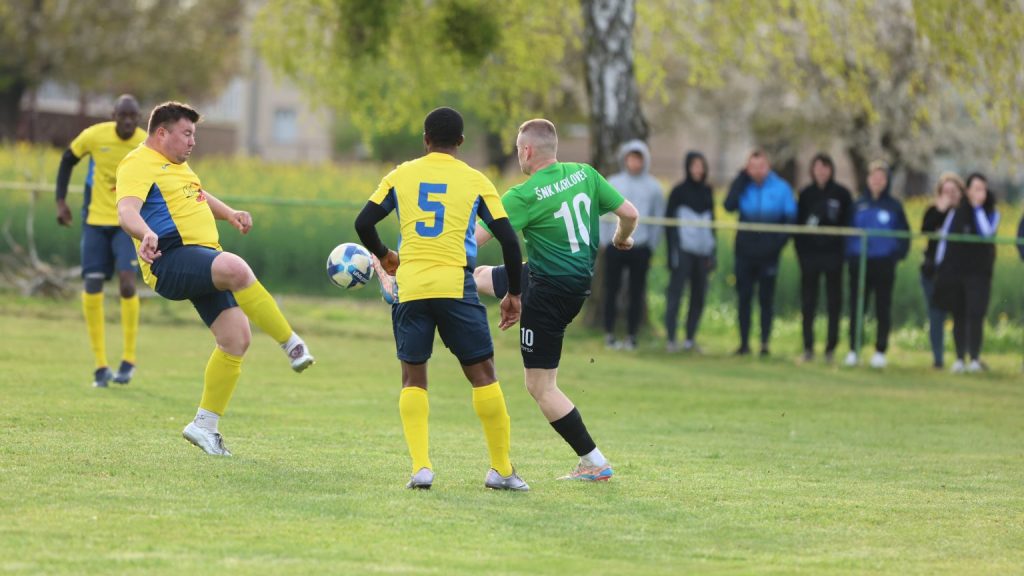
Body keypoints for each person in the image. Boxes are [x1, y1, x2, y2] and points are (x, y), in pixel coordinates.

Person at [116, 102, 314, 457]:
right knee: (236, 268)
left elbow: (198, 195)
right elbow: (126, 209)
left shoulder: (178, 166)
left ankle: (204, 425)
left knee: (236, 339)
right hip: (170, 259)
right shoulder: (137, 163)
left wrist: (230, 213)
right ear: (161, 133)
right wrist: (145, 233)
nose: (192, 141)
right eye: (186, 134)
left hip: (201, 257)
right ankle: (291, 343)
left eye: (194, 134)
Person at [354, 107, 528, 491]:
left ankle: (421, 467)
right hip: (455, 285)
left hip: (411, 286)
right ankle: (501, 470)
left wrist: (385, 255)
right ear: (461, 142)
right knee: (483, 376)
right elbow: (509, 240)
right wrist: (514, 293)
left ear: (425, 139)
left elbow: (363, 222)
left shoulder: (401, 175)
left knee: (413, 377)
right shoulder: (475, 180)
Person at [473, 119, 639, 482]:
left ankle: (594, 461)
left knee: (540, 386)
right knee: (480, 276)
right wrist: (621, 239)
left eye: (518, 150)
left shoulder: (523, 195)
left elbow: (473, 240)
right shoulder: (585, 174)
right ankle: (452, 287)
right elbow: (629, 214)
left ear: (527, 151)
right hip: (569, 283)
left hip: (547, 293)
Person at [55, 95, 146, 387]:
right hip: (94, 221)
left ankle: (128, 359)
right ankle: (100, 366)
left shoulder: (145, 144)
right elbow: (67, 159)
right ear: (113, 115)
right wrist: (60, 202)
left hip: (126, 224)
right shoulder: (95, 136)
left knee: (127, 284)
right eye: (123, 115)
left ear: (139, 118)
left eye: (133, 116)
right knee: (92, 284)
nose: (128, 121)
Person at [724, 150, 796, 356]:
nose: (756, 171)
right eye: (752, 167)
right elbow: (728, 206)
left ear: (768, 167)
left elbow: (790, 219)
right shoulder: (743, 185)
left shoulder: (781, 188)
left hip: (769, 255)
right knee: (744, 298)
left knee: (766, 299)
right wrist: (740, 180)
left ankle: (764, 343)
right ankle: (744, 343)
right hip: (744, 252)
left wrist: (776, 245)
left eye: (760, 167)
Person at [844, 160, 909, 369]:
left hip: (884, 264)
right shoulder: (858, 205)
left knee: (883, 307)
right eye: (874, 177)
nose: (877, 181)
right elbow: (847, 233)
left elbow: (904, 235)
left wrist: (895, 255)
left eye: (881, 177)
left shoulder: (894, 206)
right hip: (860, 263)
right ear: (868, 179)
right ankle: (854, 349)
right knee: (857, 307)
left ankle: (880, 351)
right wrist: (850, 255)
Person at [933, 173, 999, 373]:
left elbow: (986, 233)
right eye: (976, 188)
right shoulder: (957, 211)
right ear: (968, 191)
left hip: (979, 274)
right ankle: (960, 357)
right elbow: (945, 238)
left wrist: (977, 208)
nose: (980, 192)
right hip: (956, 273)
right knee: (959, 314)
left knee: (975, 314)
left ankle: (975, 358)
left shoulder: (991, 212)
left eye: (983, 189)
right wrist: (940, 265)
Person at [601, 140, 664, 350]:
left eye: (638, 158)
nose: (634, 162)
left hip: (640, 248)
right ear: (625, 159)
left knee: (636, 293)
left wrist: (651, 245)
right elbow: (603, 212)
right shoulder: (613, 182)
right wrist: (603, 241)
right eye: (631, 158)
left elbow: (658, 218)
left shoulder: (654, 187)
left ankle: (631, 336)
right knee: (611, 290)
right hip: (614, 246)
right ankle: (609, 334)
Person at [795, 153, 853, 363]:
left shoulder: (842, 194)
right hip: (810, 257)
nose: (821, 172)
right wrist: (802, 255)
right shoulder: (806, 194)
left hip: (833, 257)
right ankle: (808, 346)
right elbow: (798, 227)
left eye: (825, 167)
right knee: (808, 302)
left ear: (831, 169)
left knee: (834, 303)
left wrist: (841, 254)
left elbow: (848, 225)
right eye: (817, 167)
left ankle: (830, 348)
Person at [664, 151, 715, 353]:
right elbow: (669, 226)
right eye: (694, 165)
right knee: (675, 295)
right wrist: (672, 253)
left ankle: (690, 339)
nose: (698, 170)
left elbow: (712, 224)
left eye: (701, 165)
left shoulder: (708, 191)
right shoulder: (678, 192)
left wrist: (712, 253)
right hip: (683, 251)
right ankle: (671, 339)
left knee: (698, 296)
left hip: (703, 253)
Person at [919, 173, 964, 369]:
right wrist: (940, 210)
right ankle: (938, 359)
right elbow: (925, 229)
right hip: (933, 272)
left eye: (953, 191)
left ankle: (961, 358)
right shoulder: (933, 211)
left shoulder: (964, 214)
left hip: (956, 273)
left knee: (959, 315)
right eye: (946, 192)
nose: (950, 195)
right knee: (936, 315)